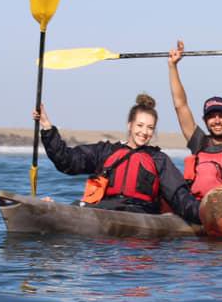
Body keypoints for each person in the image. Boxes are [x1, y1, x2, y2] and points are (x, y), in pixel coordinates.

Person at [34, 93, 201, 223]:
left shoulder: (159, 159)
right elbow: (66, 161)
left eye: (150, 128)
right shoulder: (105, 151)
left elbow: (180, 197)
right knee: (77, 205)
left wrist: (202, 214)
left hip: (141, 215)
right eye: (140, 125)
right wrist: (47, 128)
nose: (144, 132)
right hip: (105, 209)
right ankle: (47, 210)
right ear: (130, 125)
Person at [168, 40, 222, 199]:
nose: (217, 120)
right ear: (204, 120)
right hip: (198, 209)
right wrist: (173, 66)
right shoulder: (199, 142)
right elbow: (180, 105)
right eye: (211, 116)